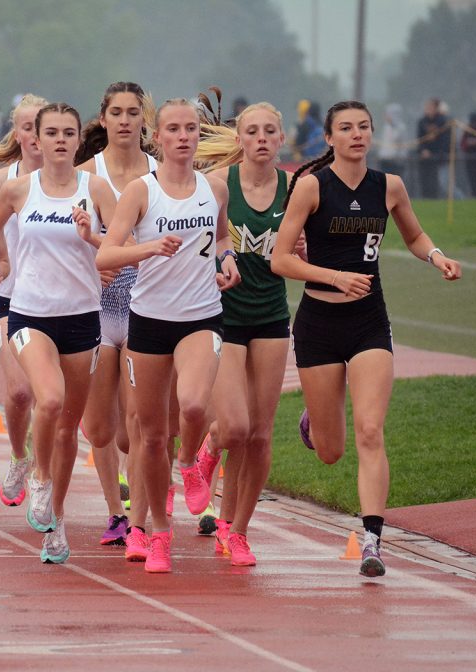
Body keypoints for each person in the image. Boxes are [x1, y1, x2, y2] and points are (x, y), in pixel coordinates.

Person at [270, 100, 462, 577]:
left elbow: (414, 236)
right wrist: (335, 277)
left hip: (369, 322)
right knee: (332, 451)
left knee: (371, 431)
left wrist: (436, 256)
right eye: (346, 128)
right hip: (318, 324)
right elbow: (280, 260)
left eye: (364, 127)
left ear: (372, 135)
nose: (356, 134)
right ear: (329, 138)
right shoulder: (313, 187)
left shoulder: (389, 186)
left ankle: (374, 540)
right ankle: (315, 419)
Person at [97, 98, 240, 573]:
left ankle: (192, 464)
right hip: (149, 321)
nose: (183, 136)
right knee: (150, 437)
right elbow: (106, 257)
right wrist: (149, 247)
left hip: (201, 316)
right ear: (158, 137)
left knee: (196, 405)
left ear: (200, 136)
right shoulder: (141, 191)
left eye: (191, 129)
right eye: (174, 129)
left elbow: (221, 238)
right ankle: (159, 533)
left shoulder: (213, 187)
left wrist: (226, 261)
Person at [0, 102, 116, 564]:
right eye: (51, 132)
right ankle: (38, 477)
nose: (60, 140)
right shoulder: (19, 189)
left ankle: (55, 522)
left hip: (81, 319)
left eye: (68, 133)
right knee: (51, 401)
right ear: (36, 139)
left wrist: (93, 238)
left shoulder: (95, 188)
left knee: (66, 432)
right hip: (29, 316)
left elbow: (122, 247)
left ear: (79, 140)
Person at [196, 101, 293, 566]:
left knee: (259, 435)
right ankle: (207, 450)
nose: (260, 138)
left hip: (271, 316)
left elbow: (304, 247)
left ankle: (236, 530)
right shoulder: (219, 187)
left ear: (281, 139)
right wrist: (213, 264)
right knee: (234, 426)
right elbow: (196, 239)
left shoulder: (294, 190)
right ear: (239, 139)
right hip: (224, 316)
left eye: (268, 131)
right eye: (251, 130)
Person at [74, 81, 157, 548]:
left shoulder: (164, 174)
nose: (125, 120)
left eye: (133, 112)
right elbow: (68, 241)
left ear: (144, 119)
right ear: (103, 119)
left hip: (148, 310)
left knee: (135, 432)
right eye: (117, 112)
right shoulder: (86, 175)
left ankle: (141, 517)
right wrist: (93, 261)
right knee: (101, 428)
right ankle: (115, 511)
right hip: (98, 313)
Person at [0, 93, 48, 509]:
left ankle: (44, 472)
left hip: (62, 304)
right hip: (11, 300)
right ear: (16, 133)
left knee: (54, 400)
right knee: (20, 394)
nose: (35, 134)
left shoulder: (73, 180)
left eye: (43, 124)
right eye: (27, 126)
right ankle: (21, 457)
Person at [415, 98, 450, 199]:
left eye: (430, 107)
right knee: (425, 182)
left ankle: (458, 200)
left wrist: (437, 153)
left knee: (442, 184)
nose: (427, 109)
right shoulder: (422, 122)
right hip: (425, 158)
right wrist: (423, 150)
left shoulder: (443, 121)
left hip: (440, 158)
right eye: (426, 107)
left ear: (436, 108)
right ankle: (427, 199)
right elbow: (420, 139)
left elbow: (445, 140)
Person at [377, 103, 407, 176]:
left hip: (396, 160)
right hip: (385, 159)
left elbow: (398, 142)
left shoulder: (401, 127)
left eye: (388, 114)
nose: (386, 116)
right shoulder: (386, 127)